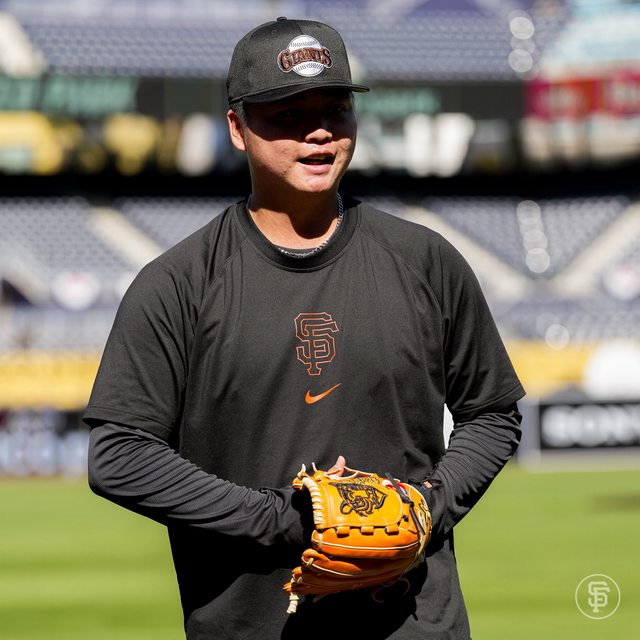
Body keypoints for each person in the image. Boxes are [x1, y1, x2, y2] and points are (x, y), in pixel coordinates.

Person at [85, 16, 525, 640]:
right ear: (237, 128)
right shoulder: (178, 283)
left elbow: (493, 413)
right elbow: (119, 456)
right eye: (288, 113)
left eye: (335, 109)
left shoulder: (427, 261)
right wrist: (286, 519)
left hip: (414, 623)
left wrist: (427, 507)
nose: (318, 130)